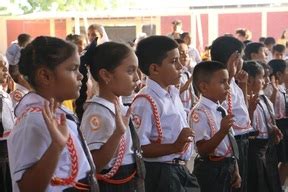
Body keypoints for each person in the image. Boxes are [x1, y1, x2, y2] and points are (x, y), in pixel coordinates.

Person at [7, 36, 99, 192]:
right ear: (45, 76)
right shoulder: (33, 121)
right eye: (72, 69)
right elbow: (27, 187)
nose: (81, 75)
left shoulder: (57, 112)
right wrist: (56, 147)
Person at [131, 35, 200, 192]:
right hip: (162, 172)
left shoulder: (172, 93)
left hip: (179, 169)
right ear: (154, 69)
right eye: (174, 61)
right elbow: (139, 147)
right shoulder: (145, 101)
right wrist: (175, 146)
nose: (181, 67)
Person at [78, 42, 145, 191]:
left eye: (137, 71)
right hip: (114, 184)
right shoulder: (97, 112)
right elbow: (95, 164)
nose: (137, 78)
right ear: (106, 75)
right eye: (130, 71)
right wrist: (118, 134)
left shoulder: (119, 106)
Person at [210, 36, 253, 192]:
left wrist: (243, 86)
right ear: (234, 58)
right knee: (234, 184)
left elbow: (244, 115)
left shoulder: (234, 82)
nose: (242, 61)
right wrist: (230, 68)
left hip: (242, 139)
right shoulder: (221, 83)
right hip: (231, 141)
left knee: (242, 183)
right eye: (239, 57)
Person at [190, 61, 241, 192]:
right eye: (222, 82)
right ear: (204, 87)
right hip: (210, 169)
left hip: (227, 165)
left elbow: (230, 143)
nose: (228, 86)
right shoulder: (199, 112)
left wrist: (235, 169)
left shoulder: (220, 109)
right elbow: (202, 149)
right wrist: (222, 131)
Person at [243, 61, 282, 192]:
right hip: (253, 150)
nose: (265, 81)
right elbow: (244, 127)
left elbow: (267, 120)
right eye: (262, 77)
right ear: (249, 80)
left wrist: (273, 128)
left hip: (268, 148)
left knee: (271, 184)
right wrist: (250, 111)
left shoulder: (264, 99)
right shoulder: (244, 102)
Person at [267, 59, 288, 189]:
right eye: (287, 71)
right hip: (276, 125)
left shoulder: (282, 87)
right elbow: (270, 107)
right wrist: (274, 91)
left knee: (285, 161)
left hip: (285, 125)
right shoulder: (269, 87)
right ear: (279, 74)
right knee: (276, 161)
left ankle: (279, 187)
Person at [0, 53, 14, 192]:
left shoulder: (5, 94)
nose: (6, 72)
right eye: (3, 68)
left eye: (7, 68)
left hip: (7, 149)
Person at [175, 39, 198, 114]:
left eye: (187, 52)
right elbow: (173, 93)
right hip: (180, 111)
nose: (185, 56)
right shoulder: (173, 75)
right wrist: (188, 83)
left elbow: (191, 92)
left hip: (189, 111)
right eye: (181, 53)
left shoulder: (187, 73)